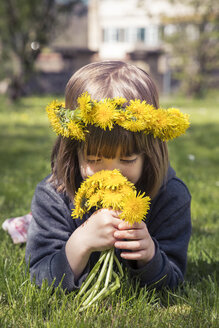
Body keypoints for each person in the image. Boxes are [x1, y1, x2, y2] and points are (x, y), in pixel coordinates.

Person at [25, 60, 191, 292]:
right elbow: (39, 277)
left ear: (150, 154)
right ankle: (27, 224)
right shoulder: (53, 196)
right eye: (94, 159)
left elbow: (174, 280)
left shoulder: (171, 196)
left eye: (127, 159)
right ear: (74, 151)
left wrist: (150, 257)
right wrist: (79, 244)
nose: (112, 173)